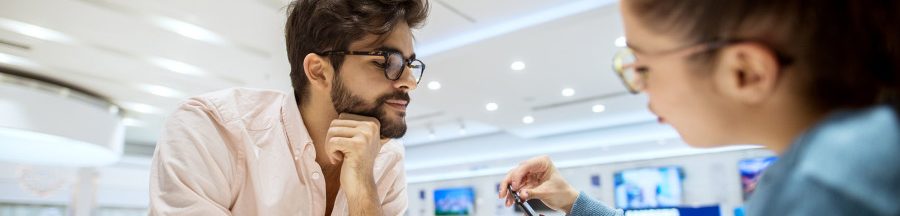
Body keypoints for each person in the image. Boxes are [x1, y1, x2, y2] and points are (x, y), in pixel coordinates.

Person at [499, 0, 899, 215]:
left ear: (745, 71)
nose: (641, 89)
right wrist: (573, 202)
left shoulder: (827, 186)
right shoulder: (864, 149)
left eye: (642, 66)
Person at [148, 0, 429, 215]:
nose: (409, 82)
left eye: (410, 64)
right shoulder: (209, 129)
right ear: (319, 72)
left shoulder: (387, 158)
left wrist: (363, 191)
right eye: (387, 61)